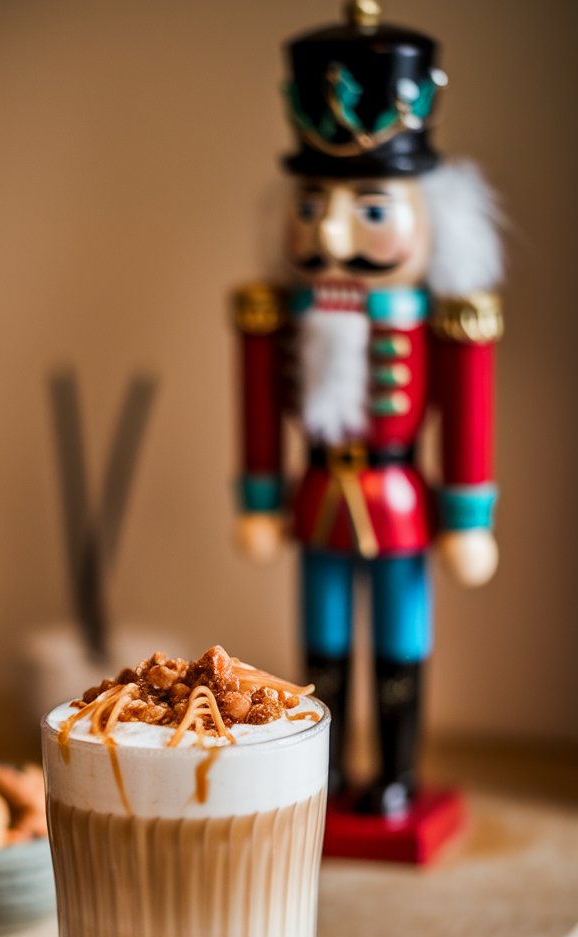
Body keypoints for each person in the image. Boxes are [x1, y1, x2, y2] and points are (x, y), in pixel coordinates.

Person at [232, 0, 503, 843]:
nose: (334, 233)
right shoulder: (276, 309)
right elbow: (252, 407)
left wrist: (467, 516)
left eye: (372, 210)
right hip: (316, 497)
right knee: (318, 644)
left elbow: (467, 415)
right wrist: (258, 496)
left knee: (398, 636)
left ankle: (392, 775)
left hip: (396, 498)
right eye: (313, 208)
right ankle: (326, 776)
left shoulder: (444, 317)